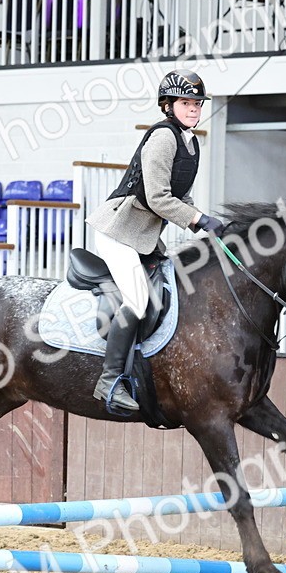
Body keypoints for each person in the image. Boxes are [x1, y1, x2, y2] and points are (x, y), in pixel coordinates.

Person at [85, 69, 227, 412]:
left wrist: (209, 222)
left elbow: (183, 197)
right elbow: (159, 198)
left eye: (197, 103)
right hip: (119, 232)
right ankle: (108, 382)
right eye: (186, 103)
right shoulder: (164, 138)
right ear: (168, 105)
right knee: (136, 298)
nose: (194, 109)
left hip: (144, 237)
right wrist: (197, 220)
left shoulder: (190, 141)